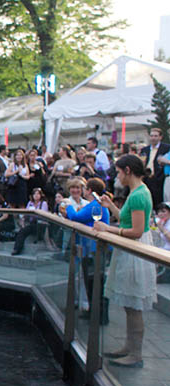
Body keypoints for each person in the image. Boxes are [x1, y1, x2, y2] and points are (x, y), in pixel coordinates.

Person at [93, 155, 157, 368]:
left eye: (119, 172)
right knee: (130, 305)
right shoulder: (138, 192)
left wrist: (108, 228)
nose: (118, 176)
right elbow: (128, 219)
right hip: (131, 252)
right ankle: (129, 347)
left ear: (127, 170)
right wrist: (111, 206)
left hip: (134, 253)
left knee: (133, 305)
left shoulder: (139, 195)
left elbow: (136, 231)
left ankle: (135, 353)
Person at [61, 178, 110, 318]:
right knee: (92, 279)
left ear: (89, 190)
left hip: (92, 247)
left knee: (94, 280)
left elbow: (76, 217)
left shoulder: (94, 204)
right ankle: (94, 311)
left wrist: (68, 206)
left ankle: (98, 314)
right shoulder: (96, 204)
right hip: (88, 247)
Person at [11, 187, 49, 256]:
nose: (36, 195)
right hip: (31, 223)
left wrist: (34, 213)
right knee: (22, 232)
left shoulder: (43, 203)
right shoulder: (30, 203)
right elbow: (26, 212)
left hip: (40, 224)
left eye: (38, 194)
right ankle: (16, 249)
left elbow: (43, 215)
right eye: (34, 194)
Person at [140, 127, 170, 206]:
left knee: (160, 202)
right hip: (147, 178)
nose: (153, 138)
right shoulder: (145, 150)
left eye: (156, 136)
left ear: (160, 137)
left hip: (160, 178)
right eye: (152, 136)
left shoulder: (166, 148)